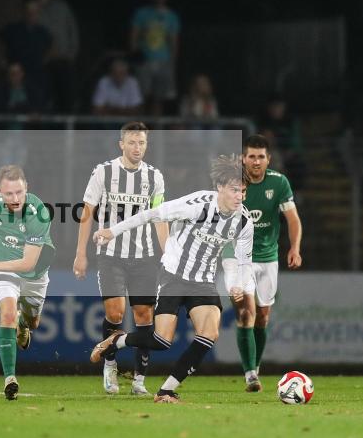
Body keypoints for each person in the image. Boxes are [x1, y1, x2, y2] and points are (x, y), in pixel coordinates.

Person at [90, 155, 252, 403]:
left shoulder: (244, 221)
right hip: (174, 275)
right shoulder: (196, 205)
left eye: (243, 191)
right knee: (162, 340)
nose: (239, 196)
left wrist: (237, 284)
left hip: (203, 282)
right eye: (234, 190)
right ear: (220, 187)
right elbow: (150, 215)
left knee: (209, 333)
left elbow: (241, 260)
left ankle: (166, 390)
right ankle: (117, 341)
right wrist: (112, 231)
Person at [74, 122, 168, 395]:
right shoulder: (103, 172)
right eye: (132, 142)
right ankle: (110, 366)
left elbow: (160, 218)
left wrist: (169, 255)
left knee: (144, 315)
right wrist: (81, 254)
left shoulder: (155, 176)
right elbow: (87, 212)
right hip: (111, 255)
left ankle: (139, 379)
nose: (137, 147)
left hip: (145, 256)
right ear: (121, 144)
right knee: (114, 313)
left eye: (142, 143)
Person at [0, 165, 56, 400]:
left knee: (33, 321)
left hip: (34, 273)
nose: (15, 199)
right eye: (8, 194)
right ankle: (10, 379)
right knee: (7, 312)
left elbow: (27, 264)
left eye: (19, 192)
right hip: (2, 267)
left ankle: (23, 326)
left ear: (27, 188)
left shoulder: (39, 213)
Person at [234, 134, 302, 392]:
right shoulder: (234, 183)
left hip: (269, 258)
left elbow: (293, 219)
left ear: (268, 159)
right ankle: (250, 373)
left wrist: (294, 248)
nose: (256, 161)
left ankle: (255, 365)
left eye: (260, 156)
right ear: (244, 158)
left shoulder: (279, 182)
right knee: (245, 312)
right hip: (239, 259)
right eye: (251, 156)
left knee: (263, 316)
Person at [130, 0, 181, 116]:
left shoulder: (172, 16)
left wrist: (172, 62)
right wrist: (135, 55)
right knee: (141, 97)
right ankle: (138, 130)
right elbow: (134, 35)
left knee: (159, 99)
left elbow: (174, 41)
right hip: (144, 60)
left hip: (163, 60)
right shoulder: (141, 13)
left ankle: (156, 132)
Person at [33, 0, 80, 111]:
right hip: (44, 62)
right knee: (46, 99)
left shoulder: (61, 6)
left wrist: (72, 54)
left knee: (67, 98)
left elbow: (73, 30)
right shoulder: (32, 8)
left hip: (65, 59)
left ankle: (68, 129)